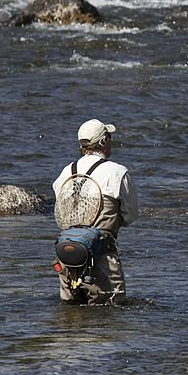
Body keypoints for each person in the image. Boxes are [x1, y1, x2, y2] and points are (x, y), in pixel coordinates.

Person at [52, 119, 138, 305]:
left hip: (68, 258)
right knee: (110, 313)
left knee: (71, 316)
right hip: (103, 259)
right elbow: (130, 216)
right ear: (103, 142)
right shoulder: (117, 172)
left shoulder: (66, 172)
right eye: (109, 137)